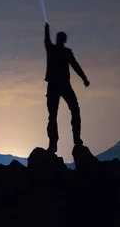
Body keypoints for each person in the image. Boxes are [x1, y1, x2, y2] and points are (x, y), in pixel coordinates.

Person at [44, 22, 90, 154]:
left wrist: (84, 78)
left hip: (57, 85)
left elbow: (75, 65)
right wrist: (84, 78)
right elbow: (75, 66)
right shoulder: (61, 51)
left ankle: (65, 141)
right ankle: (68, 140)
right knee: (62, 113)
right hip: (60, 85)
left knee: (57, 114)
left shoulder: (57, 50)